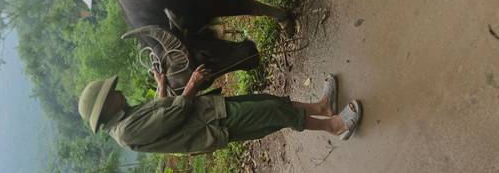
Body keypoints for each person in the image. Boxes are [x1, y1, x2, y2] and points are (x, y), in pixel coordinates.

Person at [78, 65, 362, 154]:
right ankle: (335, 126)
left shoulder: (127, 117)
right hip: (212, 125)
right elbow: (172, 116)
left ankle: (322, 107)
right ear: (105, 107)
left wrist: (161, 86)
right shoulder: (126, 132)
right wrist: (190, 85)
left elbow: (158, 112)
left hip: (212, 110)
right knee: (274, 113)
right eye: (111, 93)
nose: (117, 91)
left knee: (271, 102)